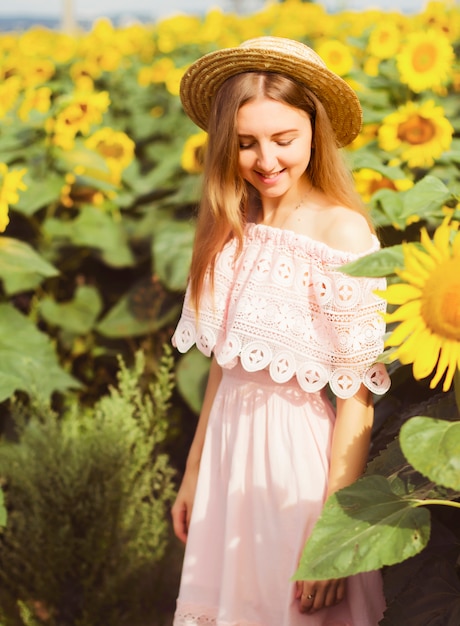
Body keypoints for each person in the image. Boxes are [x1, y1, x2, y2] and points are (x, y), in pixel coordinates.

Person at [171, 36, 390, 626]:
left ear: (314, 132)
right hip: (226, 462)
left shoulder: (340, 234)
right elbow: (226, 364)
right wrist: (194, 471)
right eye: (245, 144)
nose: (265, 159)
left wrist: (334, 534)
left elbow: (357, 399)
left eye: (283, 139)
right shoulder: (233, 227)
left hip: (294, 474)